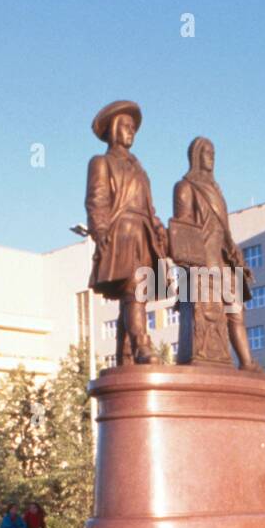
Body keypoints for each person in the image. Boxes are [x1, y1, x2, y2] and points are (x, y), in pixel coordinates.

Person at [85, 100, 170, 365]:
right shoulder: (101, 162)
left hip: (143, 234)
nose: (131, 131)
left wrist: (159, 230)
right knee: (135, 290)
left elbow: (150, 207)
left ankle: (125, 357)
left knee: (132, 293)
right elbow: (96, 199)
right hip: (121, 234)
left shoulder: (140, 169)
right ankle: (141, 345)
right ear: (112, 130)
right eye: (125, 126)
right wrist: (100, 231)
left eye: (133, 127)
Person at [169, 136, 263, 369]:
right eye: (207, 152)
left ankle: (247, 362)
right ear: (196, 156)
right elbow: (183, 230)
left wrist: (237, 258)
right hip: (203, 263)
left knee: (237, 312)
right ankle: (212, 358)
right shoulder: (185, 187)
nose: (211, 157)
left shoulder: (216, 190)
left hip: (223, 262)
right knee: (208, 315)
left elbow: (224, 230)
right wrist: (191, 268)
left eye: (213, 153)